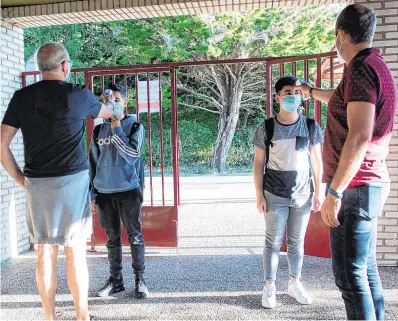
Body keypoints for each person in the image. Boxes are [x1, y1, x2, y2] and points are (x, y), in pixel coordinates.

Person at [0, 42, 113, 321]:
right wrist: (111, 105)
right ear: (64, 66)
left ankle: (50, 317)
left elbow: (2, 144)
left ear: (39, 68)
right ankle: (81, 316)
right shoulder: (78, 94)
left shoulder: (21, 97)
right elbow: (105, 113)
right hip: (73, 183)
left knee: (44, 253)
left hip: (37, 184)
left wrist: (19, 178)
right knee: (75, 253)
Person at [299, 4, 397, 320]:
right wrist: (310, 92)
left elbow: (359, 135)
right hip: (369, 183)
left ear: (341, 35)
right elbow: (342, 99)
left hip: (354, 188)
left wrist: (334, 193)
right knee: (366, 271)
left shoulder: (359, 68)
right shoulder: (375, 65)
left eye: (335, 39)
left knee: (349, 277)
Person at [252, 76, 324, 309]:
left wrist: (319, 192)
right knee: (272, 241)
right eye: (287, 92)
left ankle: (294, 283)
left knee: (296, 242)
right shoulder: (267, 128)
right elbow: (258, 164)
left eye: (296, 92)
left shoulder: (311, 126)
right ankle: (269, 286)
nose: (293, 96)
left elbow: (317, 162)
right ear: (277, 97)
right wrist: (259, 195)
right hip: (274, 194)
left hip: (302, 195)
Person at [89, 84, 148, 298]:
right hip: (104, 192)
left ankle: (140, 279)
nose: (112, 102)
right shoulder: (97, 130)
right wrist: (92, 194)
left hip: (129, 190)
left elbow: (132, 156)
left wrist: (116, 129)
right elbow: (92, 164)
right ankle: (115, 281)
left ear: (124, 102)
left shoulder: (134, 127)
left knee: (135, 236)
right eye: (108, 99)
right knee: (112, 239)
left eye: (116, 99)